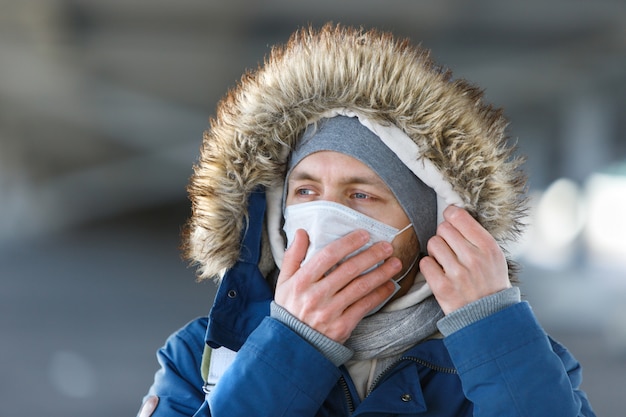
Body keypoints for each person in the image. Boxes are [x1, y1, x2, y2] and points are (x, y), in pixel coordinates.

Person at [137, 24, 596, 417]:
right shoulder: (202, 355)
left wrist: (492, 329)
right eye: (306, 191)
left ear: (430, 227)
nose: (326, 217)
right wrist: (290, 347)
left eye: (361, 194)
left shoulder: (523, 358)